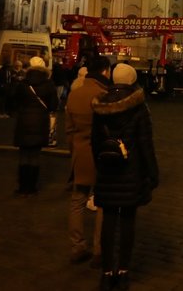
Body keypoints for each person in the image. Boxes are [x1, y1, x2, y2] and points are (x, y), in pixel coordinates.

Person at [91, 62, 159, 290]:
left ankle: (107, 271)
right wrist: (152, 173)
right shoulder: (139, 107)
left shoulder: (99, 106)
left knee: (108, 222)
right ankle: (123, 270)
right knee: (128, 222)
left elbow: (94, 142)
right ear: (131, 80)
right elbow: (146, 144)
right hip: (132, 171)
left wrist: (99, 165)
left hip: (107, 171)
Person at [64, 55, 110, 266]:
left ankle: (76, 246)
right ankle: (99, 249)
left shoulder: (75, 94)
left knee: (77, 201)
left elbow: (69, 130)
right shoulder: (104, 95)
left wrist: (74, 151)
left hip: (80, 152)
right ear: (104, 71)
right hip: (100, 154)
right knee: (102, 202)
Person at [13, 55, 59, 197]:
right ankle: (32, 187)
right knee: (35, 156)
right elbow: (53, 105)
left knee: (23, 155)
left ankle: (22, 186)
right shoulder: (49, 84)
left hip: (24, 121)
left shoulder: (23, 83)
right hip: (40, 122)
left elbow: (15, 101)